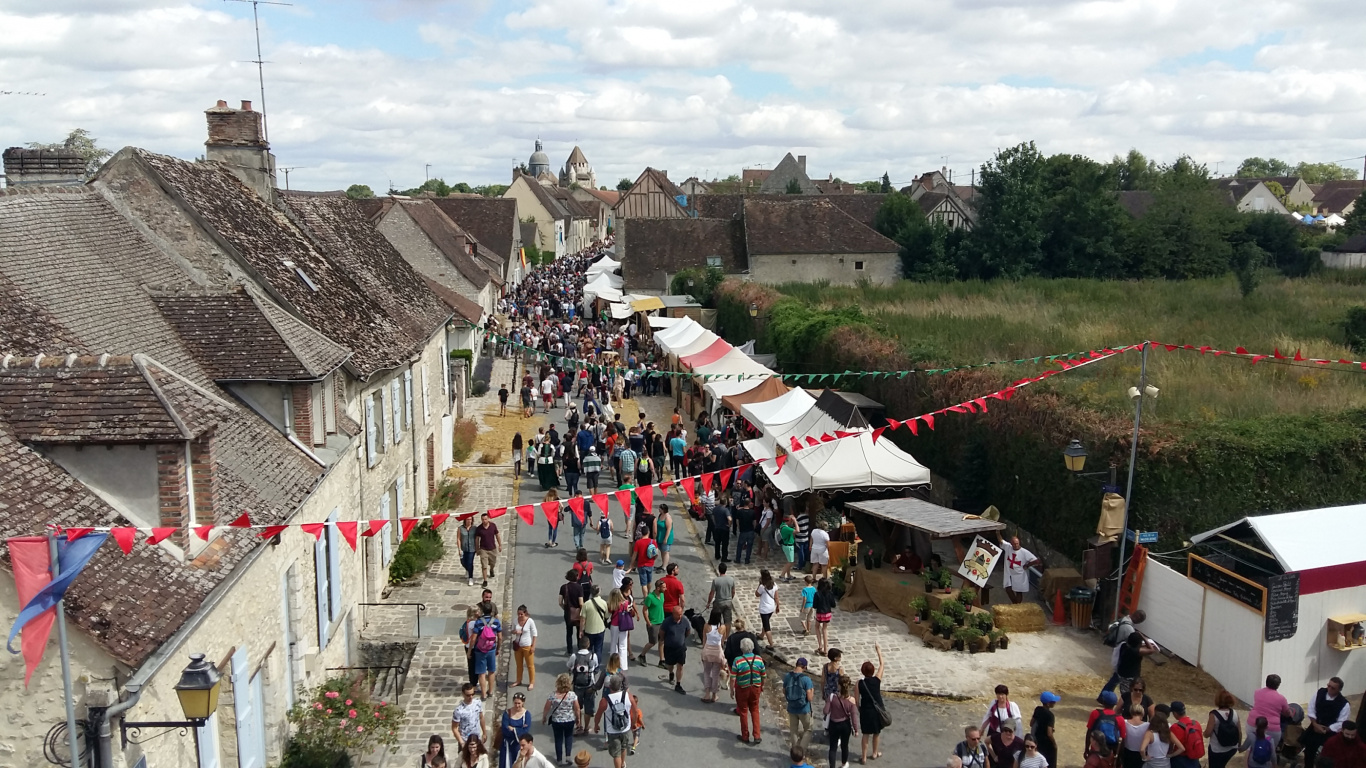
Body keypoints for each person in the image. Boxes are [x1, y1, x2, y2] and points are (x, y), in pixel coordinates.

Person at [1305, 677, 1352, 768]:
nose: (1329, 689)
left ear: (1339, 690)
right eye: (1328, 686)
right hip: (1315, 727)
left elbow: (1342, 722)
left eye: (1333, 688)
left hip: (1330, 732)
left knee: (1328, 755)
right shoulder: (1320, 693)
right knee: (1309, 751)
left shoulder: (1344, 703)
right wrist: (1315, 724)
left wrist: (1328, 729)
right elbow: (1311, 708)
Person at [1102, 611, 1148, 696]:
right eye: (1140, 620)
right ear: (1137, 616)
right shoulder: (1129, 628)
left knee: (1116, 677)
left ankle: (1104, 695)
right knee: (1117, 677)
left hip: (1119, 649)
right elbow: (1133, 642)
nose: (1139, 622)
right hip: (1123, 654)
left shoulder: (1124, 619)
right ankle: (1104, 696)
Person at [732, 637, 767, 745]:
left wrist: (732, 690)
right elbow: (763, 675)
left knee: (743, 711)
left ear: (742, 649)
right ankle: (757, 735)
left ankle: (745, 736)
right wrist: (762, 686)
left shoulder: (737, 660)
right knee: (755, 710)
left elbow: (733, 677)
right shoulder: (759, 659)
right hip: (755, 687)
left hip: (742, 689)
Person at [594, 677, 633, 768]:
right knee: (623, 747)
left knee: (616, 754)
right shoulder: (628, 696)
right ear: (620, 686)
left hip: (612, 731)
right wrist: (634, 723)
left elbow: (598, 715)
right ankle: (623, 764)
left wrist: (596, 725)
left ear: (610, 686)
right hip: (625, 728)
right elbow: (634, 711)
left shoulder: (605, 701)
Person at [543, 674, 581, 767]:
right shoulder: (572, 695)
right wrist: (578, 719)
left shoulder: (553, 695)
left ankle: (559, 759)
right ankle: (568, 756)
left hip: (557, 721)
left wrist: (544, 717)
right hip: (569, 720)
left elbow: (547, 708)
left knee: (558, 739)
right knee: (568, 737)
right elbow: (577, 708)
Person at [1249, 674, 1292, 753]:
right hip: (1271, 729)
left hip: (1252, 724)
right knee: (1269, 749)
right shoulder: (1281, 698)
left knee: (1253, 746)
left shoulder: (1257, 692)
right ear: (1278, 685)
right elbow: (1287, 713)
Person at [858, 645, 886, 763]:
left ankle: (864, 757)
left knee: (865, 734)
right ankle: (874, 753)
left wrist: (859, 709)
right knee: (876, 733)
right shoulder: (877, 680)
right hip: (876, 710)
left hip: (865, 710)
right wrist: (878, 651)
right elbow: (882, 665)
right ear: (872, 671)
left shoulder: (859, 683)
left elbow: (856, 699)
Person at [469, 605, 502, 699]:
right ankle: (490, 691)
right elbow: (500, 637)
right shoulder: (496, 621)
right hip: (491, 649)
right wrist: (498, 648)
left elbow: (474, 638)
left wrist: (470, 650)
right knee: (491, 671)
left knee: (481, 673)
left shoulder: (479, 622)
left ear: (482, 611)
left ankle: (483, 694)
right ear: (491, 611)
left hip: (480, 650)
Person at [785, 656, 816, 753]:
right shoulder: (806, 679)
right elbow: (810, 698)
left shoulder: (788, 676)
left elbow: (784, 691)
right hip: (804, 709)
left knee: (793, 730)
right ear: (805, 667)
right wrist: (812, 691)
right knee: (808, 729)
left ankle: (794, 750)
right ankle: (801, 750)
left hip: (791, 707)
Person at [568, 640, 599, 736]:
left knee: (577, 707)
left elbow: (569, 666)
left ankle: (578, 727)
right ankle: (586, 727)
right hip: (589, 685)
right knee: (588, 708)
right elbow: (596, 666)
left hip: (577, 685)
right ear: (588, 645)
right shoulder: (593, 656)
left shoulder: (574, 656)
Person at [1205, 689, 1241, 768]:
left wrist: (1203, 733)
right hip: (1232, 748)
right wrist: (1239, 745)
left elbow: (1207, 733)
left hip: (1217, 749)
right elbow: (1239, 731)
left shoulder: (1213, 715)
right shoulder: (1235, 713)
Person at [1116, 632, 1159, 698]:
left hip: (1122, 674)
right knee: (1130, 696)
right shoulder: (1136, 652)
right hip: (1131, 676)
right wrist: (1143, 637)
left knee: (1125, 694)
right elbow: (1151, 650)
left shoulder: (1124, 646)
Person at [1000, 535, 1040, 604]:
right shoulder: (1008, 547)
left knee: (1018, 591)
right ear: (1011, 544)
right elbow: (1001, 541)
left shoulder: (1024, 552)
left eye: (1017, 543)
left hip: (1019, 574)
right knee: (1008, 589)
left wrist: (1027, 565)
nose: (1016, 545)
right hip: (1010, 573)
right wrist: (998, 533)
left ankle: (1017, 605)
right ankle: (1016, 605)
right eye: (1014, 544)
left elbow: (1036, 561)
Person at [1087, 692, 1127, 758]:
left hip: (1096, 749)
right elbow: (1122, 739)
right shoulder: (1120, 718)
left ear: (1103, 702)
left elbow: (1089, 732)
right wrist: (1119, 757)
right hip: (1111, 751)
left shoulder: (1095, 713)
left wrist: (1086, 749)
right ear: (1115, 704)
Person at [661, 605, 690, 694]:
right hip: (669, 647)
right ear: (673, 614)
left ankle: (678, 684)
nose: (680, 616)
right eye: (678, 615)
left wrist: (681, 639)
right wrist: (666, 640)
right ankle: (671, 673)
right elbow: (662, 633)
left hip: (680, 648)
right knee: (670, 664)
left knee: (680, 666)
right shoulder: (667, 622)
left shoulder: (685, 620)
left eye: (681, 614)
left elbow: (688, 631)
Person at [497, 693, 532, 768]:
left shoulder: (527, 715)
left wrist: (513, 729)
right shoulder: (507, 713)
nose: (517, 705)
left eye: (519, 703)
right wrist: (519, 730)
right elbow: (505, 729)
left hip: (519, 744)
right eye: (515, 703)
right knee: (505, 763)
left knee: (519, 763)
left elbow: (526, 731)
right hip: (506, 743)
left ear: (523, 702)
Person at [637, 580, 666, 667]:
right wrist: (648, 622)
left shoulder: (661, 595)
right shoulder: (650, 597)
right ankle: (642, 655)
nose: (666, 589)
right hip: (653, 623)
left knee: (662, 641)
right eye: (664, 587)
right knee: (652, 642)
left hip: (662, 622)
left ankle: (662, 660)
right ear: (658, 588)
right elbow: (644, 610)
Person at [607, 586, 636, 671]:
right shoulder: (625, 603)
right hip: (624, 625)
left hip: (614, 625)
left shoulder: (611, 604)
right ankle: (623, 666)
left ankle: (612, 665)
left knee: (613, 644)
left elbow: (608, 614)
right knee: (623, 646)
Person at [1168, 701, 1205, 768]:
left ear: (1175, 713)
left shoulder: (1175, 727)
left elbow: (1170, 745)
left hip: (1180, 759)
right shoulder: (1196, 723)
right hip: (1194, 758)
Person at [451, 682, 485, 751]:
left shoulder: (478, 703)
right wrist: (461, 742)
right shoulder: (459, 710)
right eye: (468, 695)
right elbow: (454, 728)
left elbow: (481, 717)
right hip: (465, 741)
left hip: (477, 739)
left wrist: (484, 733)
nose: (471, 697)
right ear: (463, 694)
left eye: (472, 694)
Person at [701, 610, 726, 703]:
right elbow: (723, 640)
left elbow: (704, 639)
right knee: (715, 674)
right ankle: (714, 695)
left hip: (707, 650)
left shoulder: (706, 626)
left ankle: (707, 694)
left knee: (707, 672)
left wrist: (703, 651)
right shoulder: (722, 627)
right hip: (717, 651)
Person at [1031, 692, 1061, 768]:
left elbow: (1031, 723)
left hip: (1037, 741)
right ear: (1048, 704)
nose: (1055, 702)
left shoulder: (1037, 709)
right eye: (1053, 701)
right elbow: (1049, 733)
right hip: (1047, 744)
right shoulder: (1050, 715)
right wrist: (1054, 744)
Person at [581, 584, 609, 663]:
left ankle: (587, 664)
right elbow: (606, 616)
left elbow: (583, 619)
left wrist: (581, 630)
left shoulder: (586, 604)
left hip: (589, 630)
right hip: (600, 629)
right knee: (598, 649)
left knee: (588, 649)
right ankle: (596, 666)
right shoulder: (604, 603)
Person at [512, 605, 538, 690]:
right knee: (519, 665)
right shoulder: (515, 620)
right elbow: (511, 631)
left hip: (527, 645)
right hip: (518, 645)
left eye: (521, 614)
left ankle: (531, 682)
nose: (519, 616)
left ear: (525, 613)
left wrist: (533, 646)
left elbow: (535, 634)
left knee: (530, 665)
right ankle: (518, 680)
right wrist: (515, 631)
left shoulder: (530, 621)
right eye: (518, 614)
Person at [560, 568, 585, 655]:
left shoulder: (564, 587)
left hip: (568, 613)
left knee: (569, 632)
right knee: (579, 631)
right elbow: (581, 603)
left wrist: (565, 608)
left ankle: (570, 650)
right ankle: (579, 647)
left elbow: (560, 602)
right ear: (577, 577)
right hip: (578, 612)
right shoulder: (579, 588)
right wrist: (583, 612)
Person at [706, 562, 737, 634]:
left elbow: (712, 593)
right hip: (728, 602)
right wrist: (730, 599)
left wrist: (708, 603)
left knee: (716, 619)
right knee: (728, 621)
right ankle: (726, 637)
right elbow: (733, 591)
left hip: (718, 602)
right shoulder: (731, 579)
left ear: (719, 570)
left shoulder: (716, 581)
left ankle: (716, 634)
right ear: (726, 570)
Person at [755, 569, 780, 652]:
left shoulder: (762, 586)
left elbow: (757, 594)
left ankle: (771, 644)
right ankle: (762, 635)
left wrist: (759, 584)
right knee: (766, 622)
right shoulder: (774, 584)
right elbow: (776, 597)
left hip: (764, 608)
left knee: (767, 626)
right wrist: (778, 606)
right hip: (771, 607)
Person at [812, 578, 837, 656]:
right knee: (825, 629)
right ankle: (826, 649)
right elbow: (833, 604)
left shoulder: (817, 594)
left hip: (820, 613)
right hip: (827, 614)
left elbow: (815, 606)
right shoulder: (830, 593)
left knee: (817, 627)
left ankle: (820, 646)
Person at [476, 513, 502, 587]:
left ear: (488, 519)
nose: (484, 521)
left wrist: (500, 545)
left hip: (492, 548)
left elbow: (497, 535)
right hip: (483, 549)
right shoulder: (479, 528)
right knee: (484, 565)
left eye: (485, 519)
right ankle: (485, 580)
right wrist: (477, 549)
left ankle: (491, 570)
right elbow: (477, 539)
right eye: (483, 519)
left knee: (493, 563)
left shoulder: (493, 526)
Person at [710, 495, 732, 562]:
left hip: (717, 528)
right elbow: (730, 519)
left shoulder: (715, 508)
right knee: (725, 544)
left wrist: (715, 523)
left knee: (717, 543)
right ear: (725, 503)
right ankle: (724, 558)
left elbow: (712, 517)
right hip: (724, 529)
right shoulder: (725, 510)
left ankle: (717, 555)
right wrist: (729, 525)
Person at [459, 515, 479, 587]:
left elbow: (477, 538)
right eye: (467, 519)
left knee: (470, 562)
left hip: (472, 548)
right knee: (463, 561)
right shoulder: (460, 528)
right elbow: (458, 538)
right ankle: (467, 570)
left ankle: (471, 577)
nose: (469, 521)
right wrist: (459, 548)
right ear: (465, 520)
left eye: (470, 519)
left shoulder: (474, 528)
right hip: (464, 548)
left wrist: (477, 548)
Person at [655, 504, 675, 569]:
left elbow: (669, 529)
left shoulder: (668, 517)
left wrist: (665, 539)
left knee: (666, 552)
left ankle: (664, 566)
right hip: (660, 536)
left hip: (666, 537)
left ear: (663, 510)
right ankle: (663, 564)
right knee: (662, 551)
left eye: (660, 509)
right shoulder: (660, 515)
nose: (658, 510)